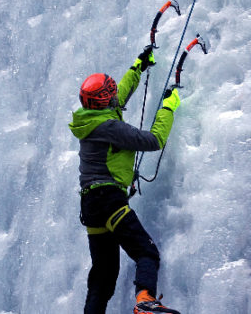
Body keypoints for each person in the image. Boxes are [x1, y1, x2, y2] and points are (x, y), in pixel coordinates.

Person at [68, 46, 181, 314]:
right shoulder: (111, 127)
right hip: (108, 200)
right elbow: (154, 140)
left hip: (91, 207)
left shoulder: (90, 119)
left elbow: (119, 93)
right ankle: (145, 300)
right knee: (146, 252)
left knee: (104, 274)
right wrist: (168, 106)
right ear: (104, 100)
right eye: (110, 95)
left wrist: (138, 67)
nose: (114, 96)